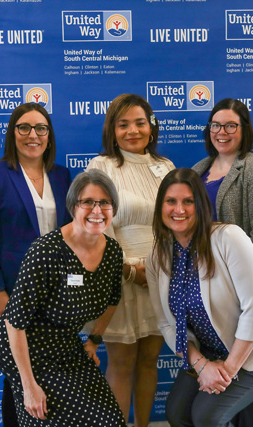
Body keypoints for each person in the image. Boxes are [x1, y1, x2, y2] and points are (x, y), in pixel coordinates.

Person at [146, 168, 253, 427]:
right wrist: (201, 365)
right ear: (161, 207)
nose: (178, 209)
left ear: (201, 205)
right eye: (171, 201)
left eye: (188, 201)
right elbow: (168, 324)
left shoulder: (228, 237)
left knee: (207, 416)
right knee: (177, 412)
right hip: (208, 350)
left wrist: (226, 371)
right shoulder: (158, 255)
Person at [0, 169, 126, 426]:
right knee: (47, 415)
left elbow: (112, 299)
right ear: (73, 206)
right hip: (24, 348)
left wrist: (94, 340)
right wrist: (28, 386)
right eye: (87, 202)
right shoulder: (46, 251)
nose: (96, 210)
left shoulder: (112, 252)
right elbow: (14, 322)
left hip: (66, 346)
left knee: (109, 420)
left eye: (105, 203)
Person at [192, 98, 253, 426]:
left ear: (244, 130)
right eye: (216, 125)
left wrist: (234, 281)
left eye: (231, 125)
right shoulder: (197, 171)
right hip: (213, 302)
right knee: (225, 396)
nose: (222, 132)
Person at [0, 102, 72, 425]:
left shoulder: (62, 176)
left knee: (51, 372)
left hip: (55, 294)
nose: (33, 135)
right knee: (18, 373)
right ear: (12, 133)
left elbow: (71, 236)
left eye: (41, 128)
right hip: (11, 293)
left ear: (49, 136)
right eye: (24, 128)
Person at [86, 93, 175, 426]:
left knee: (150, 361)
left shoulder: (165, 167)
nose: (132, 131)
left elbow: (175, 221)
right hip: (120, 278)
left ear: (151, 128)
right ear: (113, 130)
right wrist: (127, 269)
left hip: (160, 275)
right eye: (123, 124)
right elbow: (95, 225)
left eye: (140, 123)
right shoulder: (102, 167)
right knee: (121, 364)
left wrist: (156, 270)